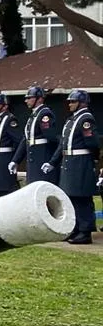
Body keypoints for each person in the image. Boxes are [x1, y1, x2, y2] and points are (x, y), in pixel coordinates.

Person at [59, 89, 98, 244]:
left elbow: (92, 143)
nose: (70, 104)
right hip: (71, 161)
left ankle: (85, 231)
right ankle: (76, 228)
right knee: (72, 197)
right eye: (70, 101)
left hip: (81, 161)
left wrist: (92, 160)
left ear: (82, 103)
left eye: (73, 101)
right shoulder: (73, 119)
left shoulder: (86, 119)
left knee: (82, 198)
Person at [14, 85, 61, 184]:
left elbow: (52, 138)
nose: (26, 101)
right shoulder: (34, 115)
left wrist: (52, 161)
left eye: (29, 98)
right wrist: (15, 160)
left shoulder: (45, 114)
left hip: (42, 159)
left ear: (39, 99)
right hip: (33, 162)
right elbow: (26, 139)